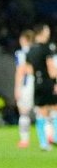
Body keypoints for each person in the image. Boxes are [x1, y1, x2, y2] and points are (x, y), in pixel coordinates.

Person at [24, 23, 57, 151]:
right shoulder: (47, 48)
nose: (48, 32)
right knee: (55, 109)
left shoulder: (30, 50)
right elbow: (51, 68)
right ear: (42, 32)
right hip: (48, 82)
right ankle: (55, 137)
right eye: (47, 30)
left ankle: (43, 143)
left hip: (37, 82)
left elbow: (28, 69)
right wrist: (55, 81)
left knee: (41, 112)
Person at [14, 29, 35, 148]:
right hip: (40, 83)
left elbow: (20, 71)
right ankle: (49, 137)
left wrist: (17, 88)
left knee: (23, 113)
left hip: (27, 85)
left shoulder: (21, 53)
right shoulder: (40, 51)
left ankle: (24, 140)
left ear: (24, 39)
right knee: (45, 113)